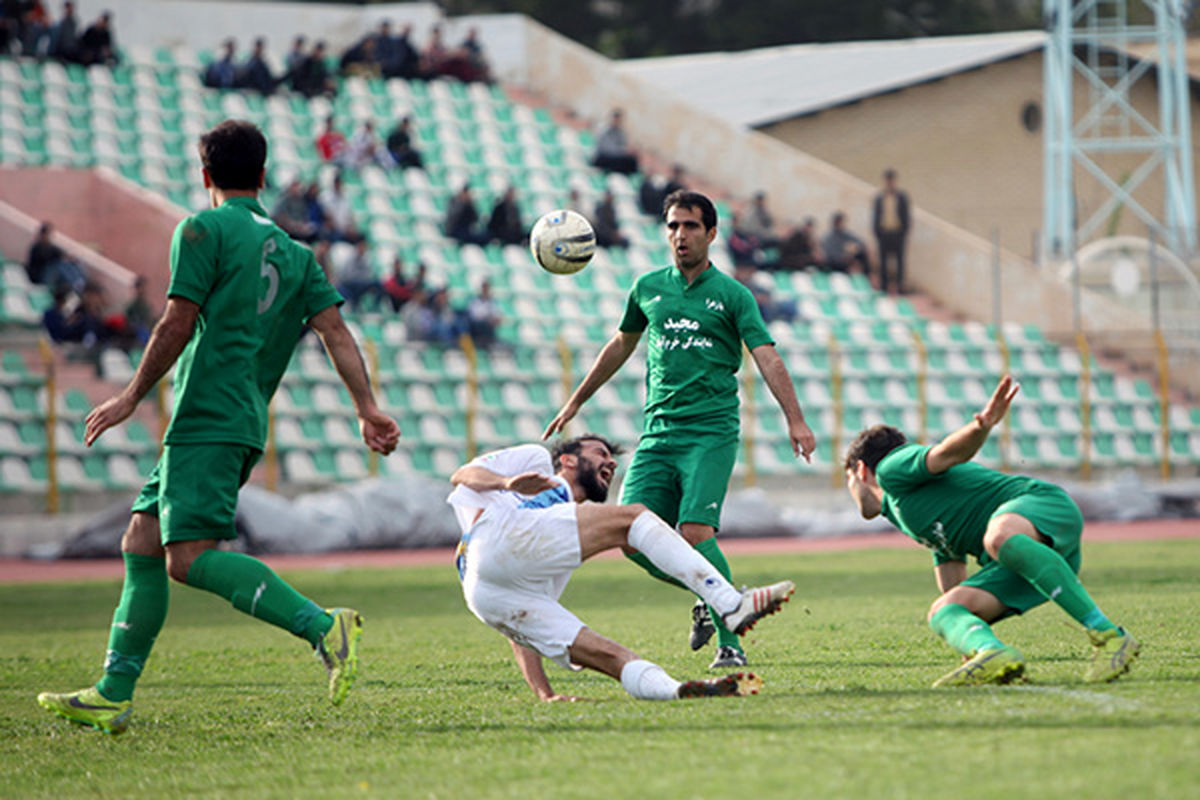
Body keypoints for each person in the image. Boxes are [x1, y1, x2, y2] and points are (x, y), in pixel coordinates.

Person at [36, 120, 402, 735]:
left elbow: (176, 322)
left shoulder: (201, 228)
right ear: (262, 177)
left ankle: (322, 625)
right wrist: (366, 407)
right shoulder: (295, 253)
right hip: (241, 417)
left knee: (188, 558)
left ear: (205, 175)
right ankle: (112, 693)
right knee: (141, 541)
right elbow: (336, 331)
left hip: (207, 413)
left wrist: (130, 396)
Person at [543, 190, 816, 670]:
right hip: (657, 434)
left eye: (690, 226)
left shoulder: (732, 295)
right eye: (672, 226)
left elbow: (766, 355)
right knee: (629, 538)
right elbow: (620, 344)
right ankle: (718, 592)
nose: (680, 235)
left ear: (711, 234)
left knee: (692, 531)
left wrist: (795, 417)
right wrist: (577, 399)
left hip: (709, 433)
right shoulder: (647, 287)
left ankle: (730, 645)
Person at [842, 375, 1140, 687]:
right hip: (1024, 559)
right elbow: (951, 575)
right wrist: (967, 640)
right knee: (943, 611)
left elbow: (946, 453)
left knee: (999, 537)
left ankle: (1108, 635)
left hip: (1040, 507)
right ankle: (993, 653)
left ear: (860, 470)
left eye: (848, 478)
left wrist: (981, 426)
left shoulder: (892, 469)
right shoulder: (905, 514)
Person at [449, 434, 796, 702]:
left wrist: (545, 693)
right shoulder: (539, 463)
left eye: (613, 460)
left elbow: (518, 627)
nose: (611, 463)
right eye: (600, 453)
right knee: (633, 516)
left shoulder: (556, 542)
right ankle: (730, 605)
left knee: (611, 657)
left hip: (484, 595)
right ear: (568, 459)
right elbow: (462, 474)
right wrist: (505, 483)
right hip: (495, 536)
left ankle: (674, 690)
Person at [872, 168, 911, 295]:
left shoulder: (902, 197)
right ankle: (884, 286)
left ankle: (899, 286)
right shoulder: (879, 198)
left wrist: (903, 233)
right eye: (887, 180)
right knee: (883, 261)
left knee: (899, 261)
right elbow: (876, 216)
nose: (889, 183)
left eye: (891, 180)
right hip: (884, 233)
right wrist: (877, 232)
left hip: (897, 233)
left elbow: (906, 216)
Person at [592, 109, 638, 175]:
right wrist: (624, 151)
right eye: (615, 118)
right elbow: (607, 149)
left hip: (616, 156)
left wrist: (629, 150)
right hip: (603, 156)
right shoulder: (604, 130)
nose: (617, 121)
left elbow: (624, 145)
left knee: (632, 160)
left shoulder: (620, 132)